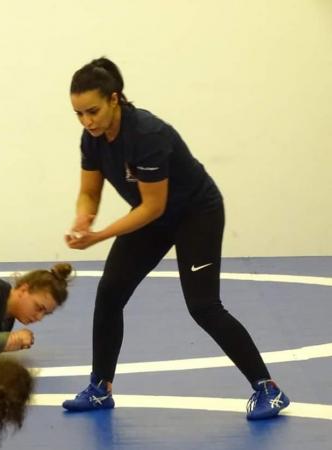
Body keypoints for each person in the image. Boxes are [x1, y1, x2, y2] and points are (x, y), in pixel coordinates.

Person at [60, 57, 289, 420]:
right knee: (109, 293)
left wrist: (100, 235)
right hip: (152, 216)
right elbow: (90, 192)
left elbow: (153, 206)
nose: (87, 121)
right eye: (78, 114)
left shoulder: (147, 135)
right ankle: (100, 387)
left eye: (92, 111)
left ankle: (268, 388)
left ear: (114, 99)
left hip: (195, 214)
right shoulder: (93, 139)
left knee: (203, 306)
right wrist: (81, 221)